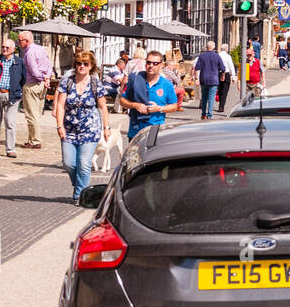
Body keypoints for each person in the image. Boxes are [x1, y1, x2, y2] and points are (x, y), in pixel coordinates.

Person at [54, 51, 111, 205]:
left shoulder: (95, 82)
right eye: (79, 63)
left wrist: (106, 127)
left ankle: (81, 195)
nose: (82, 66)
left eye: (85, 64)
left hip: (90, 129)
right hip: (69, 128)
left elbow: (103, 106)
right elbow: (60, 105)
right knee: (68, 163)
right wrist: (59, 126)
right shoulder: (68, 81)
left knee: (84, 163)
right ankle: (79, 185)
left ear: (91, 66)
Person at [119, 50, 181, 142]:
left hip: (156, 132)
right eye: (149, 62)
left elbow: (174, 106)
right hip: (136, 131)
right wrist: (135, 105)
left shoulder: (166, 84)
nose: (151, 65)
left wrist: (159, 108)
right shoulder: (135, 79)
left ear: (161, 65)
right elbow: (122, 101)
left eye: (155, 63)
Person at [0, 40, 24, 157]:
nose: (4, 49)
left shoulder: (19, 62)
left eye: (7, 47)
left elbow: (23, 79)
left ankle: (10, 149)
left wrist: (16, 90)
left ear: (13, 49)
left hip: (12, 95)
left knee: (10, 122)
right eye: (3, 47)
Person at [16, 30, 52, 149]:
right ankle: (31, 139)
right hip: (42, 84)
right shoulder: (40, 49)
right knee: (36, 114)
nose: (18, 43)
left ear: (26, 41)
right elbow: (48, 65)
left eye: (20, 40)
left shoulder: (29, 53)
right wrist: (47, 78)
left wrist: (42, 78)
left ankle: (35, 141)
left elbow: (34, 71)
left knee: (31, 115)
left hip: (32, 85)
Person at [193, 41, 226, 119]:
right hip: (214, 80)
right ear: (214, 47)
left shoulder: (202, 56)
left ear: (206, 47)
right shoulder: (217, 56)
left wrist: (197, 78)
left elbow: (197, 68)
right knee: (211, 98)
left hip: (204, 79)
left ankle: (203, 113)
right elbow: (223, 68)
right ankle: (210, 114)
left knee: (204, 97)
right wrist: (222, 76)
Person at [217, 44, 236, 113]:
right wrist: (233, 76)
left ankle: (220, 100)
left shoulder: (217, 56)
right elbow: (231, 66)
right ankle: (221, 106)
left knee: (219, 89)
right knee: (224, 91)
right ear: (226, 49)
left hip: (218, 74)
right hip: (226, 74)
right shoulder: (228, 56)